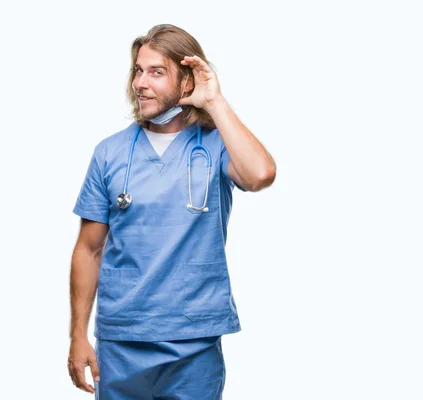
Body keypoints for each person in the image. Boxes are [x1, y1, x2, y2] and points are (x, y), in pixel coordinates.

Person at [67, 24, 276, 399]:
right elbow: (89, 249)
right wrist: (78, 335)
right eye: (138, 70)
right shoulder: (110, 153)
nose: (140, 83)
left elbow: (260, 175)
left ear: (186, 84)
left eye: (156, 72)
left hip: (193, 341)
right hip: (121, 341)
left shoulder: (216, 145)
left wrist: (214, 101)